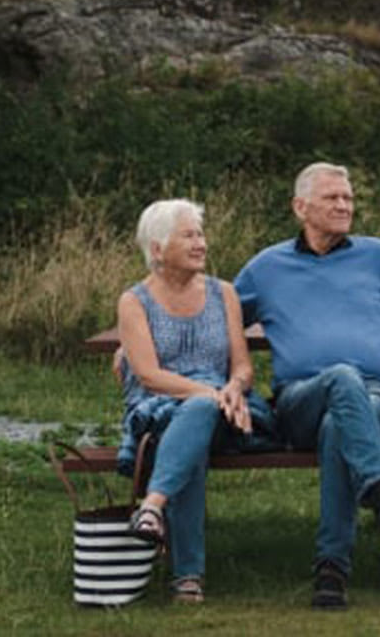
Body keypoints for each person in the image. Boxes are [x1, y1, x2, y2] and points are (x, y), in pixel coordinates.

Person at [234, 162, 380, 610]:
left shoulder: (377, 255)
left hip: (376, 399)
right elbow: (211, 318)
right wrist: (138, 341)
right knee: (341, 379)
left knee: (341, 425)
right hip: (300, 403)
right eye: (332, 197)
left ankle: (331, 572)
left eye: (348, 198)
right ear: (301, 207)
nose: (344, 205)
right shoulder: (267, 268)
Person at [115, 197, 272, 603]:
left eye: (200, 234)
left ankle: (154, 511)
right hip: (159, 407)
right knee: (192, 429)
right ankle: (186, 575)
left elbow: (242, 366)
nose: (200, 243)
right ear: (157, 249)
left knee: (198, 420)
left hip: (226, 412)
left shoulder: (225, 294)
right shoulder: (134, 302)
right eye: (188, 235)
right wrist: (212, 394)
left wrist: (234, 388)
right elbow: (148, 375)